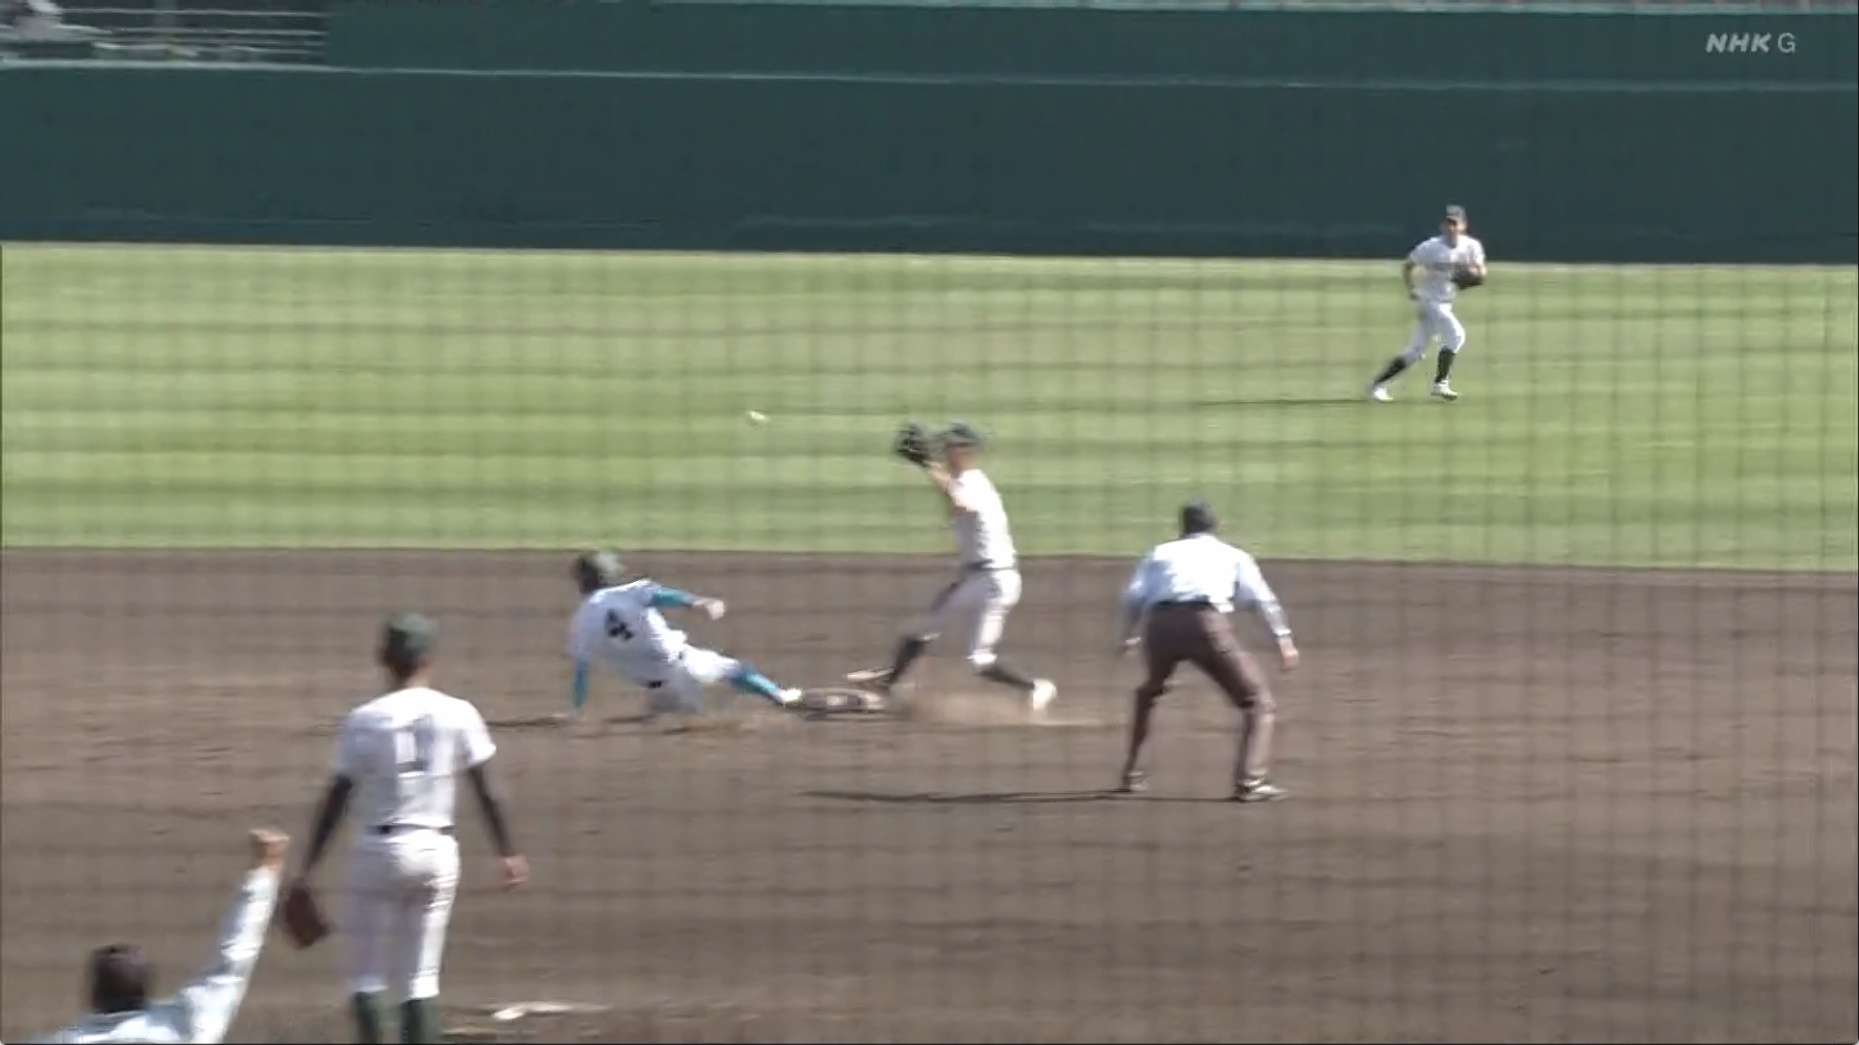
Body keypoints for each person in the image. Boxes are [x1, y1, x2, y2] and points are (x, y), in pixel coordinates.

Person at [293, 613, 528, 1045]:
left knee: (365, 977)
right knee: (420, 978)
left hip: (378, 854)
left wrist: (307, 868)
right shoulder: (459, 712)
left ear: (383, 658)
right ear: (429, 659)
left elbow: (337, 797)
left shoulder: (365, 719)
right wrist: (507, 851)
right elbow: (487, 789)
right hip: (438, 853)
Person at [849, 422, 1056, 715]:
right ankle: (890, 683)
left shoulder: (973, 482)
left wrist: (928, 466)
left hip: (994, 581)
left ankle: (1035, 688)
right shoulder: (960, 479)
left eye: (951, 447)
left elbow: (959, 503)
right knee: (922, 629)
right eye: (944, 446)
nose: (945, 451)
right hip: (980, 577)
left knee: (977, 659)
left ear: (967, 451)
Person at [25, 828, 289, 1044]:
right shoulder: (184, 1026)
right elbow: (230, 962)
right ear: (146, 991)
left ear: (92, 995)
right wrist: (265, 870)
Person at [1113, 501, 1300, 802]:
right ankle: (1251, 782)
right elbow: (1262, 600)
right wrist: (1283, 641)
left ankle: (1132, 774)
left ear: (1182, 527)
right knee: (1258, 701)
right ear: (1215, 526)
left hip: (1159, 627)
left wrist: (1127, 636)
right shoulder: (1232, 554)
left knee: (1149, 693)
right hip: (1206, 626)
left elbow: (1133, 596)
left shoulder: (1160, 552)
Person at [567, 551, 805, 721]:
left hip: (655, 691)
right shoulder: (629, 592)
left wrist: (576, 711)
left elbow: (581, 673)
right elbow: (662, 597)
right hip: (685, 669)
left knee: (663, 721)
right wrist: (699, 602)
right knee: (737, 671)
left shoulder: (581, 622)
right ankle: (782, 697)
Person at [1366, 204, 1488, 403]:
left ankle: (1376, 385)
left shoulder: (1471, 246)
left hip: (1445, 303)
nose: (1451, 227)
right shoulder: (1431, 247)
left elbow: (1481, 272)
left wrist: (1472, 276)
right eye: (1448, 223)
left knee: (1414, 352)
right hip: (1428, 302)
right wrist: (1412, 289)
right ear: (1442, 226)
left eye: (1455, 223)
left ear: (1463, 225)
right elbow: (1408, 265)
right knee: (1457, 335)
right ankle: (1440, 383)